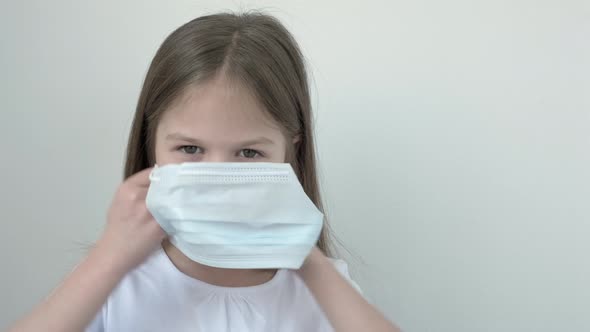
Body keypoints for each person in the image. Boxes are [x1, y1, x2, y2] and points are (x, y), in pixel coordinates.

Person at [10, 12, 400, 332]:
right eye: (190, 149)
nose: (218, 179)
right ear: (152, 145)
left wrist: (308, 260)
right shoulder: (111, 286)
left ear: (290, 150)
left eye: (248, 153)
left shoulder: (327, 292)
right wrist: (107, 261)